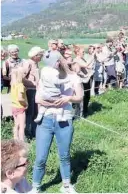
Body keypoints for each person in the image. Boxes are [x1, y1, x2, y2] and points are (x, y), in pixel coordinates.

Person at [32, 52, 83, 193]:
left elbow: (79, 97)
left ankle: (66, 185)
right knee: (41, 157)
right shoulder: (46, 75)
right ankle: (36, 186)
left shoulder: (73, 77)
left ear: (59, 62)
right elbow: (37, 97)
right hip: (46, 120)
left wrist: (68, 99)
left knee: (64, 155)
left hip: (64, 119)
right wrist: (44, 102)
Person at [34, 53, 71, 123]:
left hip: (45, 93)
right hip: (54, 94)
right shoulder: (54, 71)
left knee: (44, 106)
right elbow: (56, 81)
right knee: (59, 106)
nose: (58, 63)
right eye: (57, 61)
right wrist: (66, 80)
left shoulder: (44, 69)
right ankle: (60, 117)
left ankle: (39, 117)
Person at [22, 46, 45, 138]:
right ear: (35, 56)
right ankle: (28, 131)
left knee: (36, 111)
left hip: (36, 90)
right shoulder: (28, 63)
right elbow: (22, 78)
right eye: (40, 55)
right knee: (30, 112)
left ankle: (34, 132)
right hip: (30, 91)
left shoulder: (36, 64)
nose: (42, 57)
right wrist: (34, 84)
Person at [10, 67, 28, 142]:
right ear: (20, 75)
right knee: (22, 126)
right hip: (20, 107)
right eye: (23, 73)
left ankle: (15, 138)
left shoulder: (13, 84)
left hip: (13, 106)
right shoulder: (20, 85)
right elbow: (20, 98)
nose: (25, 74)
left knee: (16, 124)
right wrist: (26, 104)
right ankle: (21, 141)